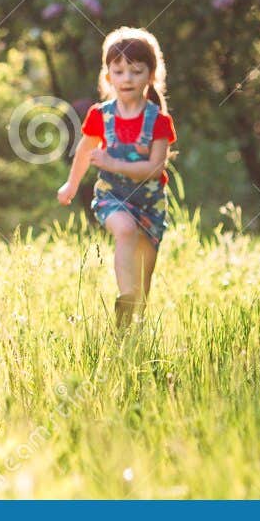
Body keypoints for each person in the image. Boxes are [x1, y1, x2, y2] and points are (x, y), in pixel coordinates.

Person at [56, 26, 177, 329]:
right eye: (119, 71)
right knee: (124, 230)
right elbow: (84, 150)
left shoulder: (159, 121)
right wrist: (71, 184)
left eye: (136, 71)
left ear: (150, 75)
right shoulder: (101, 115)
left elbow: (154, 167)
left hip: (150, 204)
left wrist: (111, 161)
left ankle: (134, 324)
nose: (127, 78)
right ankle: (126, 297)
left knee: (145, 271)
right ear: (108, 76)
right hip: (113, 197)